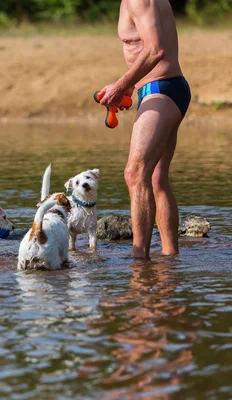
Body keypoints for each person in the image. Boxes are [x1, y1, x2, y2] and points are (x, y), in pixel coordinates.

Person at [98, 0, 191, 259]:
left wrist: (120, 86)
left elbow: (155, 50)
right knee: (156, 179)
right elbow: (145, 48)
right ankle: (170, 259)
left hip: (163, 89)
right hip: (158, 88)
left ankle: (140, 262)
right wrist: (130, 85)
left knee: (135, 173)